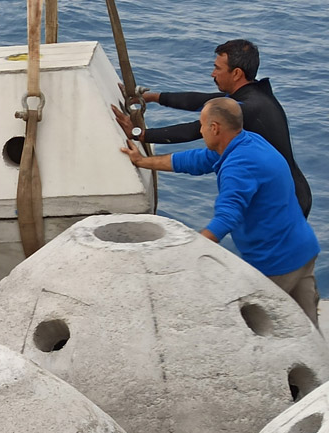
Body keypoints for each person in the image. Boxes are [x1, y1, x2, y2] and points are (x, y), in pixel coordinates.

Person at [121, 98, 321, 326]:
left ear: (214, 128)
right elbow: (195, 160)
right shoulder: (248, 142)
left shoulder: (239, 166)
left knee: (254, 329)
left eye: (202, 125)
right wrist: (143, 162)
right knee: (308, 332)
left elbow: (227, 217)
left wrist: (187, 251)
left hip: (276, 262)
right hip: (303, 248)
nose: (200, 129)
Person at [112, 39, 311, 217]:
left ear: (236, 73)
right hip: (287, 188)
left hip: (286, 199)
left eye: (217, 68)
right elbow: (198, 100)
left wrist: (137, 133)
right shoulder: (250, 93)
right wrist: (153, 97)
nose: (212, 73)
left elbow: (194, 129)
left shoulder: (247, 107)